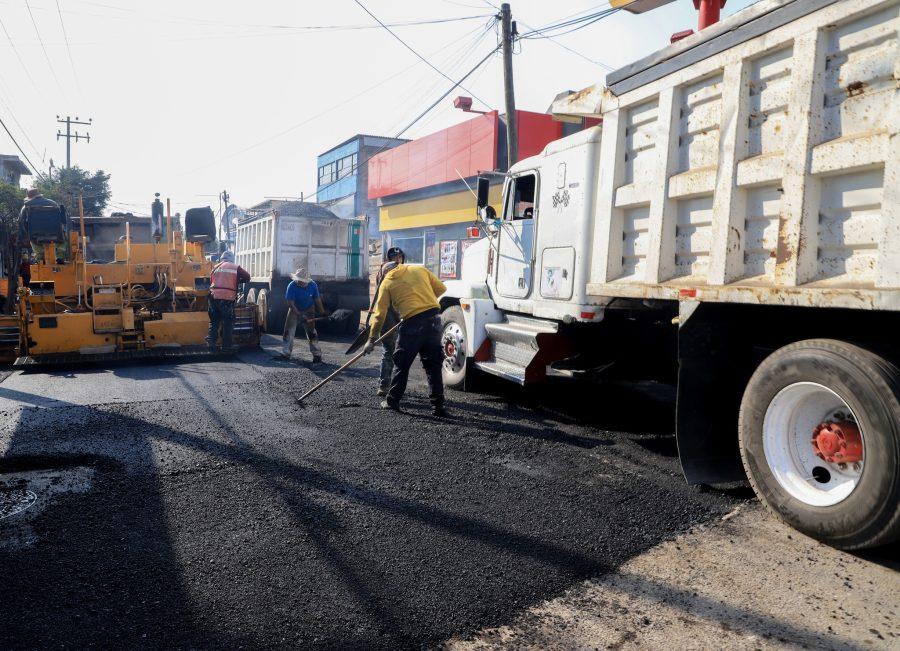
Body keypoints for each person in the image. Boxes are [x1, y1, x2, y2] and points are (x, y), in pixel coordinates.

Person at [364, 247, 448, 417]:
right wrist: (422, 299)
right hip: (434, 320)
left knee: (402, 364)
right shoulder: (419, 269)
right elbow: (441, 289)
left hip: (413, 324)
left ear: (385, 272)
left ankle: (392, 401)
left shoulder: (387, 282)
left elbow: (380, 315)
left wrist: (371, 339)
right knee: (433, 365)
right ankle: (438, 406)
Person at [373, 247, 404, 397]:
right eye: (394, 256)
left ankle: (390, 384)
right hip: (389, 317)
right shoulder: (390, 269)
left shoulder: (394, 269)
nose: (397, 259)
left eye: (399, 256)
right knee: (390, 351)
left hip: (397, 315)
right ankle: (384, 385)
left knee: (397, 352)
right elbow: (390, 301)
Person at [278, 267, 326, 363]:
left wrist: (322, 312)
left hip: (309, 309)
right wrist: (299, 315)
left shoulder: (313, 285)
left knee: (311, 332)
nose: (302, 283)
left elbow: (317, 299)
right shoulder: (291, 286)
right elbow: (290, 303)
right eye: (300, 281)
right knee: (289, 331)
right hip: (294, 309)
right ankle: (286, 353)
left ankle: (317, 355)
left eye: (304, 281)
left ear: (307, 281)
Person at [207, 250, 250, 352]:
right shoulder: (235, 267)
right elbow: (247, 277)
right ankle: (226, 346)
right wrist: (238, 280)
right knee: (228, 322)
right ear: (232, 259)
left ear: (222, 259)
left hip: (213, 298)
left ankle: (211, 344)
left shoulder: (215, 267)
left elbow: (212, 281)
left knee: (214, 322)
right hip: (226, 299)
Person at [19, 189, 67, 263]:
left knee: (35, 245)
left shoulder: (26, 207)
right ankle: (60, 256)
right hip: (56, 235)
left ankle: (40, 258)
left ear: (29, 197)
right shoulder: (53, 203)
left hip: (36, 237)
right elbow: (61, 221)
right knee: (64, 239)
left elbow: (21, 222)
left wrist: (27, 234)